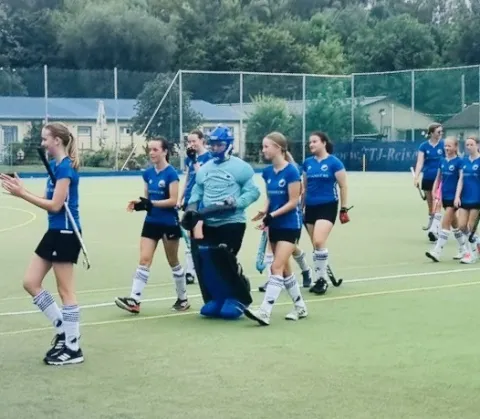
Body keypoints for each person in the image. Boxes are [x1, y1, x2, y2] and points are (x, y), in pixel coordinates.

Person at [0, 122, 84, 366]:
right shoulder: (56, 166)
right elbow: (48, 201)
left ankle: (73, 347)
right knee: (31, 282)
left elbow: (56, 206)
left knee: (66, 291)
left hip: (66, 232)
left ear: (57, 140)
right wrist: (23, 190)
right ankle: (62, 328)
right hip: (55, 232)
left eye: (45, 138)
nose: (42, 143)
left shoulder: (65, 168)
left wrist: (22, 194)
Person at [184, 125, 260, 319]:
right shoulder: (205, 169)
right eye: (213, 144)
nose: (215, 148)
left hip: (232, 222)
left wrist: (236, 203)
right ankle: (217, 297)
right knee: (208, 260)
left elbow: (253, 192)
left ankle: (238, 298)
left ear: (229, 145)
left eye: (219, 145)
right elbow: (197, 192)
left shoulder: (241, 167)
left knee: (225, 258)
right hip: (209, 222)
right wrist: (191, 209)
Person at [114, 137, 190, 314]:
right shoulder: (147, 174)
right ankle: (134, 300)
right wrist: (140, 205)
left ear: (165, 152)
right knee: (144, 260)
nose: (151, 153)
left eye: (155, 150)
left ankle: (183, 298)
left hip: (169, 223)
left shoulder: (171, 174)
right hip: (151, 222)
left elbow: (173, 200)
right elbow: (148, 200)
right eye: (150, 150)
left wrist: (152, 203)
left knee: (173, 262)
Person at [244, 132, 308, 326]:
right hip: (275, 225)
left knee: (275, 267)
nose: (263, 150)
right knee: (285, 270)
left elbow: (293, 202)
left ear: (278, 148)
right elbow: (271, 198)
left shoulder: (292, 172)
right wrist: (264, 211)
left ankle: (265, 312)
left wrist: (272, 215)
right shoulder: (267, 172)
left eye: (266, 146)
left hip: (290, 225)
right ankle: (300, 307)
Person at [302, 131, 350, 295]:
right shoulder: (307, 163)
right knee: (316, 246)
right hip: (310, 207)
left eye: (314, 141)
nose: (311, 144)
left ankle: (321, 280)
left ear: (324, 143)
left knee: (318, 240)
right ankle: (319, 278)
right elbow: (305, 188)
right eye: (310, 142)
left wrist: (343, 208)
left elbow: (343, 186)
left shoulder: (334, 163)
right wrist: (300, 208)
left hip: (327, 206)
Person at [177, 129, 212, 285]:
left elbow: (203, 176)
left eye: (194, 141)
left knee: (200, 235)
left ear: (202, 140)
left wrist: (195, 159)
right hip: (190, 200)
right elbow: (187, 178)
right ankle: (190, 271)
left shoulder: (209, 157)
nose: (191, 144)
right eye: (189, 142)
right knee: (190, 236)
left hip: (203, 199)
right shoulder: (189, 159)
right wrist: (180, 198)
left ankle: (202, 268)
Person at [425, 136, 465, 262]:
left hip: (454, 198)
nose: (447, 148)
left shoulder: (459, 162)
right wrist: (434, 191)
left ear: (456, 147)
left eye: (449, 146)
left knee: (445, 223)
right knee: (455, 225)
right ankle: (464, 249)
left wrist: (458, 196)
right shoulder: (442, 161)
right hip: (444, 196)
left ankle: (437, 251)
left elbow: (462, 180)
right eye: (445, 146)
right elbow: (438, 178)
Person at [414, 123, 445, 241]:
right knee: (431, 204)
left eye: (441, 131)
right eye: (438, 132)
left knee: (437, 203)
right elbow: (420, 162)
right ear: (431, 133)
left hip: (441, 179)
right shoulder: (424, 146)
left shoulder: (444, 145)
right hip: (427, 178)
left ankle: (434, 230)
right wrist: (416, 177)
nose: (441, 134)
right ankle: (432, 225)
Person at [453, 136, 480, 264]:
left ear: (477, 145)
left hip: (477, 199)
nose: (469, 147)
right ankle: (477, 242)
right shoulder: (464, 161)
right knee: (462, 226)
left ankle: (472, 254)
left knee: (470, 226)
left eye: (471, 144)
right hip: (465, 198)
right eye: (467, 145)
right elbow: (461, 180)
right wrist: (457, 196)